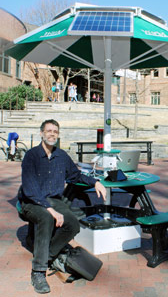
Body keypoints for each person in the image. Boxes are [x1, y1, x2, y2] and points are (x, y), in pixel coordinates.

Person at [19, 119, 106, 294]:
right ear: (42, 133)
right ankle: (38, 271)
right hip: (32, 201)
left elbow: (75, 175)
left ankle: (47, 256)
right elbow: (30, 189)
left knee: (73, 224)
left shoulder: (61, 156)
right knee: (45, 218)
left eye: (55, 131)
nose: (52, 134)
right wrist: (50, 210)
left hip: (54, 200)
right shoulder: (32, 156)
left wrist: (95, 182)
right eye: (49, 131)